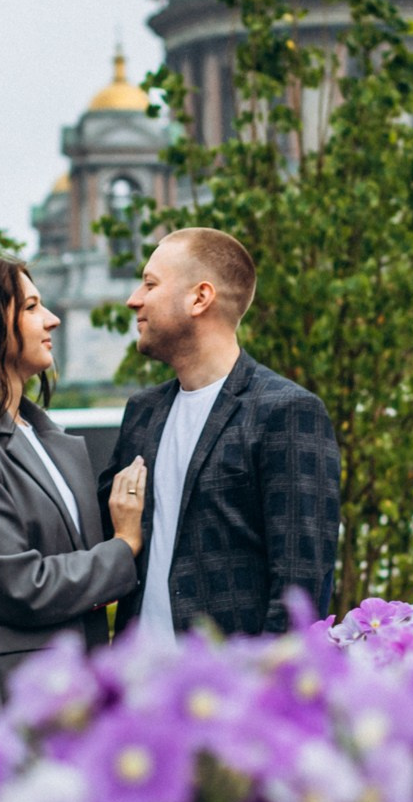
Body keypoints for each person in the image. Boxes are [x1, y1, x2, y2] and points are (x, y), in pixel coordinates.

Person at [0, 255, 147, 687]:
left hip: (72, 692)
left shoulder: (44, 437)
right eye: (31, 307)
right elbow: (21, 587)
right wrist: (124, 545)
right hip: (11, 700)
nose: (53, 319)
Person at [99, 228, 341, 639]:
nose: (133, 299)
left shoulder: (285, 411)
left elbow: (300, 583)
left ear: (200, 297)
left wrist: (267, 691)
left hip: (229, 690)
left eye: (150, 284)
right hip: (140, 687)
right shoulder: (142, 412)